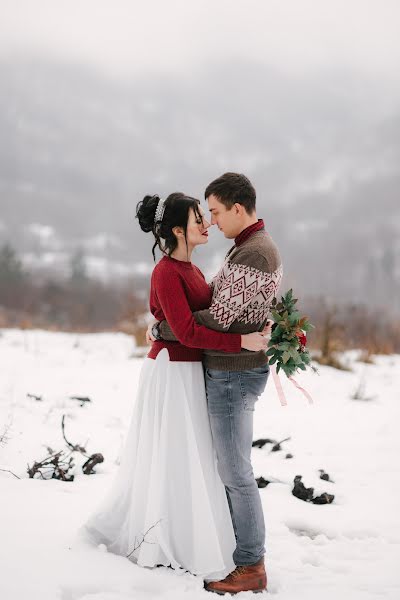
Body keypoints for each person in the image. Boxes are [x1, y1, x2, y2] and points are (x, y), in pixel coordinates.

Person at [81, 192, 267, 582]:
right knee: (171, 453)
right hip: (170, 372)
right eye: (199, 217)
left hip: (189, 371)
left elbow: (205, 318)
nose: (207, 223)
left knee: (192, 453)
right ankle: (163, 535)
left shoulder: (194, 270)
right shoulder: (166, 272)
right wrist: (239, 343)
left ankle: (188, 530)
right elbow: (186, 331)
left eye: (206, 214)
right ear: (178, 229)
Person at [150, 173, 283, 594]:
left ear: (238, 209)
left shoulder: (252, 254)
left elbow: (216, 319)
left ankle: (250, 564)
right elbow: (216, 306)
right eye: (205, 214)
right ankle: (235, 548)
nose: (212, 221)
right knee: (227, 469)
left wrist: (164, 329)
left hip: (233, 373)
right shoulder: (244, 249)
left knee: (235, 472)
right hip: (231, 369)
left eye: (217, 211)